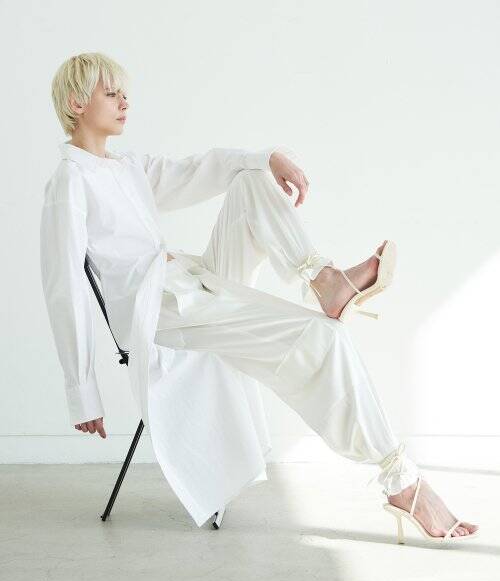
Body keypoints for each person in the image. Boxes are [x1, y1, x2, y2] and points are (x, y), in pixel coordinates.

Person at [40, 52, 478, 542]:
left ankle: (324, 280)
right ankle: (402, 482)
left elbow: (201, 169)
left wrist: (268, 157)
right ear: (77, 103)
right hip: (159, 312)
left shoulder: (127, 167)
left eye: (125, 93)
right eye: (111, 93)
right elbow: (63, 287)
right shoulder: (69, 182)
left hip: (190, 283)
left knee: (250, 179)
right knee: (326, 339)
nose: (125, 102)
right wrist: (82, 391)